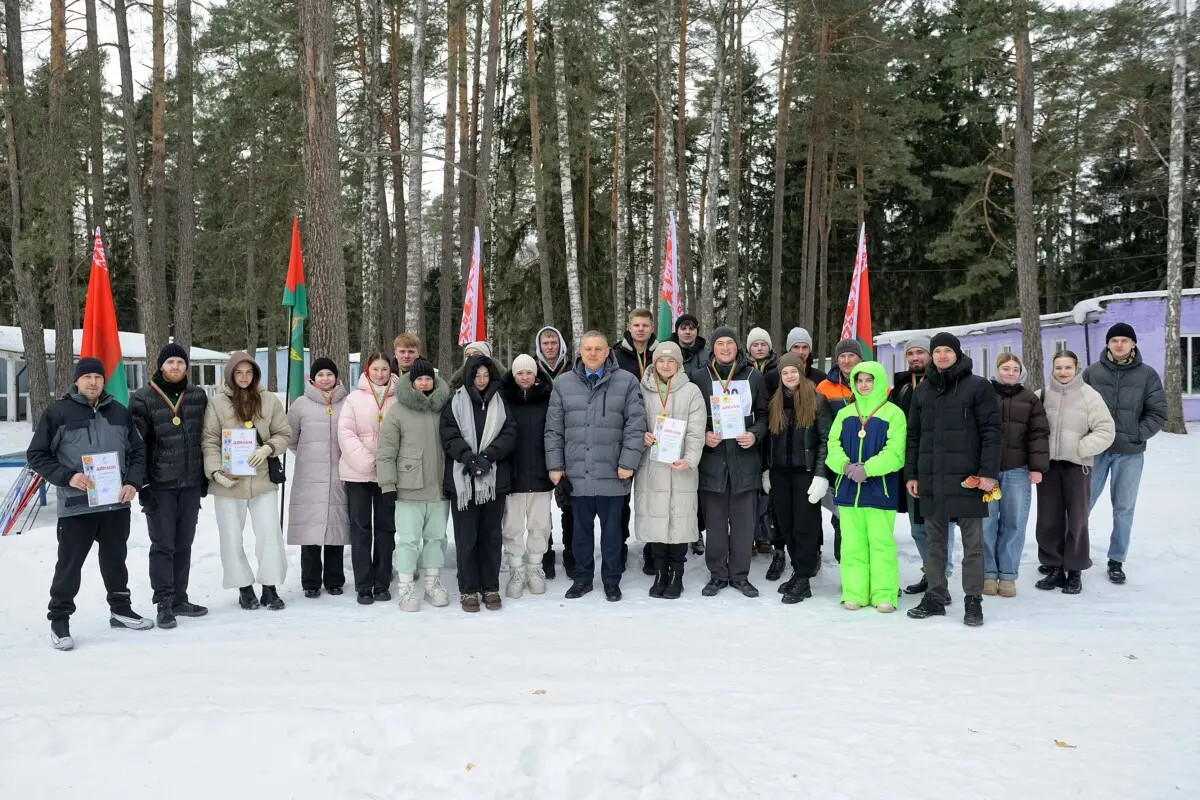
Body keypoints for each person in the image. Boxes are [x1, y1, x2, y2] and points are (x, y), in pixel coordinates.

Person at [29, 358, 151, 650]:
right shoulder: (58, 412)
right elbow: (37, 454)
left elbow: (137, 452)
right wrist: (68, 477)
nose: (93, 382)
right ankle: (59, 620)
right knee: (69, 566)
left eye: (98, 377)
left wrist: (132, 483)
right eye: (87, 378)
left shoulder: (119, 412)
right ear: (77, 381)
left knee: (115, 560)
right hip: (76, 507)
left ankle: (120, 609)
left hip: (114, 504)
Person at [905, 333, 1001, 627]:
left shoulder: (978, 387)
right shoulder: (923, 391)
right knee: (935, 543)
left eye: (948, 350)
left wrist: (987, 473)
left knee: (973, 545)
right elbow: (914, 436)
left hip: (967, 480)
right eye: (938, 351)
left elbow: (992, 432)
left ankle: (973, 600)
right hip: (932, 479)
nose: (942, 355)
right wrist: (912, 475)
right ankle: (935, 596)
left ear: (958, 354)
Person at [545, 331, 647, 601]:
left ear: (607, 352)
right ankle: (582, 579)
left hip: (614, 474)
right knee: (580, 533)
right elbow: (553, 430)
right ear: (580, 351)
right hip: (578, 475)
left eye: (598, 349)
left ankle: (612, 580)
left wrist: (628, 462)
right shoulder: (564, 383)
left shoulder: (626, 382)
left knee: (613, 534)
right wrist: (555, 466)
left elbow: (636, 425)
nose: (592, 353)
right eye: (587, 348)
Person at [202, 351, 292, 611]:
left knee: (269, 534)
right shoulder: (217, 403)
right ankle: (243, 587)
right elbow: (210, 440)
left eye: (248, 372)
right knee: (231, 536)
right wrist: (216, 471)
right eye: (238, 372)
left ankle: (270, 586)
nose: (244, 377)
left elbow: (284, 433)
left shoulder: (269, 400)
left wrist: (269, 448)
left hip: (262, 478)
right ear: (230, 375)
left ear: (255, 374)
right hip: (229, 481)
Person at [130, 343, 210, 628]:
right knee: (163, 545)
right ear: (161, 365)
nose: (175, 367)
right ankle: (163, 602)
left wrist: (203, 477)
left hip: (189, 483)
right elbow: (137, 445)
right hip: (160, 485)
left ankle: (179, 597)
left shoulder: (198, 396)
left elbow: (207, 437)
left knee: (184, 543)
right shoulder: (143, 398)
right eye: (170, 362)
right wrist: (144, 485)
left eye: (180, 362)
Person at [1082, 323, 1167, 584]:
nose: (1119, 344)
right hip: (1096, 452)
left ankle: (1116, 559)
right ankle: (1072, 554)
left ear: (1133, 344)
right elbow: (1077, 407)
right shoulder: (1092, 373)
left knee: (1124, 508)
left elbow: (1158, 412)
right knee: (1081, 504)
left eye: (1125, 340)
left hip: (1129, 453)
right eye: (1115, 340)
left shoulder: (1147, 375)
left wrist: (1137, 433)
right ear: (1108, 344)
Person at [690, 326, 768, 598]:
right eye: (720, 343)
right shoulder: (699, 377)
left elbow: (763, 414)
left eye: (730, 343)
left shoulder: (752, 376)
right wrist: (703, 435)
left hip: (744, 462)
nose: (725, 348)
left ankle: (740, 575)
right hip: (713, 463)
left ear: (737, 347)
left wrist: (755, 434)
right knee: (715, 523)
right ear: (713, 348)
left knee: (744, 524)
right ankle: (717, 574)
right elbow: (691, 416)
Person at [826, 361, 907, 612]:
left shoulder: (893, 413)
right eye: (859, 380)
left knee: (881, 544)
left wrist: (868, 469)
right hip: (848, 491)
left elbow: (896, 453)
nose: (863, 385)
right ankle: (854, 591)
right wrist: (846, 467)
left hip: (880, 491)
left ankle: (884, 593)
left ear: (879, 382)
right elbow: (832, 446)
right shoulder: (845, 413)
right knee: (852, 545)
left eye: (869, 380)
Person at [441, 354, 518, 611]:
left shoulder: (500, 402)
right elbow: (448, 434)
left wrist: (487, 457)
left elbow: (510, 433)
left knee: (490, 536)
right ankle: (468, 588)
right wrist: (469, 458)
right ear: (469, 376)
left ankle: (490, 586)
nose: (482, 380)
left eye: (486, 375)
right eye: (477, 375)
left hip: (493, 481)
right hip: (462, 480)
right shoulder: (455, 402)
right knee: (467, 537)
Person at [377, 357, 452, 611]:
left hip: (439, 488)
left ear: (433, 380)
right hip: (410, 488)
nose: (423, 382)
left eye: (427, 378)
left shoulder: (444, 407)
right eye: (418, 378)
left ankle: (432, 583)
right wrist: (388, 484)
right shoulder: (398, 411)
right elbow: (386, 452)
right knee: (408, 540)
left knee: (436, 538)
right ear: (411, 382)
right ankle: (406, 587)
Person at [1037, 351, 1115, 594]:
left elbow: (1106, 429)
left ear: (1076, 368)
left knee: (1077, 519)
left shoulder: (1089, 395)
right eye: (1058, 367)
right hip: (1048, 467)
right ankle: (1054, 567)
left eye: (1067, 367)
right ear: (1052, 368)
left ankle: (1075, 570)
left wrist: (1082, 448)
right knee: (1049, 518)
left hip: (1077, 467)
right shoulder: (1042, 395)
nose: (1063, 372)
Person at [635, 341, 706, 599]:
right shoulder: (642, 390)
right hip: (651, 466)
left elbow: (697, 431)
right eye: (661, 361)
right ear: (654, 364)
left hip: (681, 468)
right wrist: (641, 437)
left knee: (679, 520)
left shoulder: (691, 391)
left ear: (679, 364)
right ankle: (659, 572)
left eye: (671, 361)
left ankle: (676, 574)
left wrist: (689, 459)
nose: (665, 365)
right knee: (655, 521)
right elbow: (634, 422)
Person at [889, 334, 955, 595]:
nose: (915, 358)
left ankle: (942, 579)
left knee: (940, 525)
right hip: (911, 467)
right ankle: (931, 573)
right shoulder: (901, 389)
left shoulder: (945, 383)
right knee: (918, 527)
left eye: (920, 352)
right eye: (910, 354)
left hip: (941, 465)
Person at [764, 353, 831, 604]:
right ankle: (797, 570)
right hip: (781, 474)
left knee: (805, 526)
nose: (789, 376)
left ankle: (804, 577)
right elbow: (770, 440)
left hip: (806, 474)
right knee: (787, 524)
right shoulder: (776, 403)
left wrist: (821, 475)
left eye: (793, 371)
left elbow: (825, 440)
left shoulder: (816, 400)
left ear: (801, 373)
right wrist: (767, 470)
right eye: (784, 373)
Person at [982, 353, 1049, 597]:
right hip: (986, 471)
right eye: (1005, 368)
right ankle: (988, 574)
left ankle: (1008, 576)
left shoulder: (1030, 399)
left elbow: (1039, 434)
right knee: (986, 522)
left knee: (1014, 522)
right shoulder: (984, 394)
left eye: (1014, 369)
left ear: (1020, 373)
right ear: (997, 370)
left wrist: (1037, 467)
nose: (1010, 373)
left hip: (1017, 470)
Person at [285, 357, 350, 599]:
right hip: (309, 477)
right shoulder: (301, 405)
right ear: (313, 378)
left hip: (338, 475)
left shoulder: (347, 402)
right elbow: (290, 438)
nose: (325, 379)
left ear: (336, 377)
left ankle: (334, 579)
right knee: (310, 532)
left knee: (335, 528)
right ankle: (310, 581)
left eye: (329, 375)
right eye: (320, 375)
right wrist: (308, 455)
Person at [338, 350, 399, 605]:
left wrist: (388, 465)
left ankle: (382, 581)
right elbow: (345, 432)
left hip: (389, 475)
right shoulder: (353, 399)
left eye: (384, 369)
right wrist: (368, 462)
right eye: (375, 369)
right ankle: (364, 584)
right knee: (361, 529)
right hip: (358, 474)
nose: (380, 374)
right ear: (367, 370)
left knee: (385, 529)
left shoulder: (400, 398)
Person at [500, 354, 554, 599]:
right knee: (512, 525)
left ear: (535, 375)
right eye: (519, 373)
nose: (524, 377)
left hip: (540, 472)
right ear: (513, 375)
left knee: (539, 525)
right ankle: (516, 569)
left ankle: (534, 567)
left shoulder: (547, 398)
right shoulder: (503, 399)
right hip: (513, 473)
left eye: (528, 373)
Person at [614, 309, 656, 571]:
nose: (640, 329)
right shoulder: (615, 354)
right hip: (623, 432)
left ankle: (653, 547)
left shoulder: (663, 353)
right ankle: (618, 546)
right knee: (620, 495)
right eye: (636, 325)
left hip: (656, 431)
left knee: (652, 494)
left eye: (645, 325)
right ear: (628, 327)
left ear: (652, 328)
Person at [534, 325, 574, 580]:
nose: (550, 347)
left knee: (568, 502)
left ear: (561, 344)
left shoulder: (572, 369)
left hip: (568, 443)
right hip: (538, 444)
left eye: (554, 342)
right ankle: (545, 551)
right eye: (546, 343)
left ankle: (570, 551)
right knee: (541, 505)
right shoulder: (531, 370)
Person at [670, 313, 708, 557]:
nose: (688, 332)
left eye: (692, 328)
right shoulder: (668, 350)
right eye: (683, 328)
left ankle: (696, 532)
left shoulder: (706, 354)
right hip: (671, 422)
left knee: (698, 484)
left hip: (700, 418)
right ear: (677, 331)